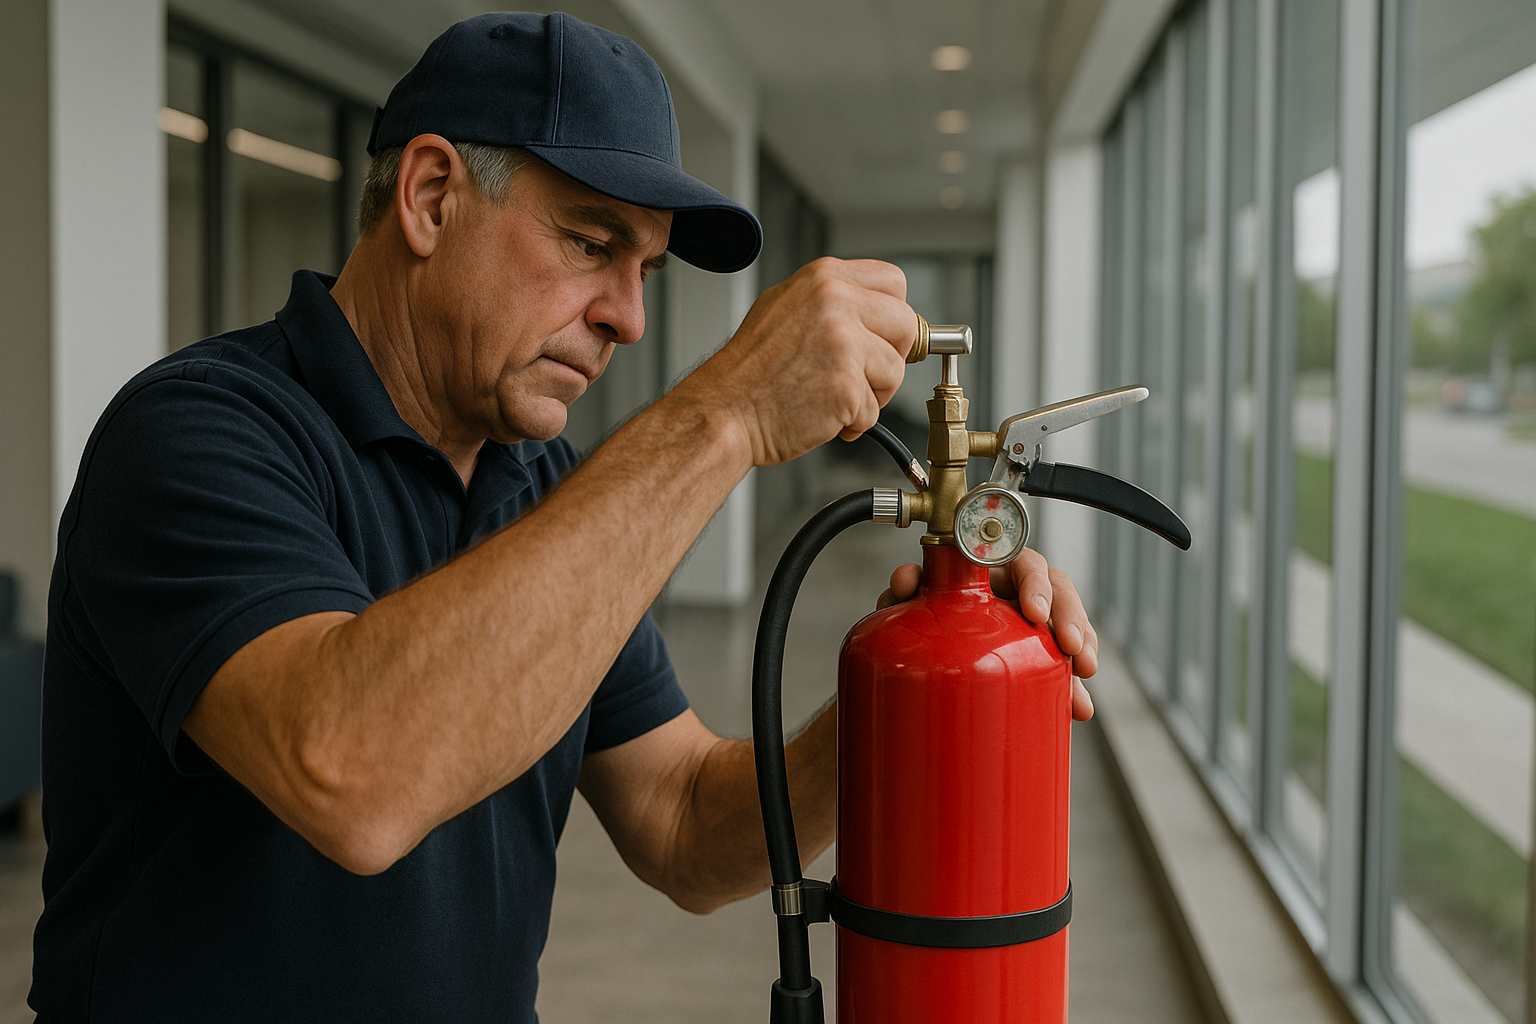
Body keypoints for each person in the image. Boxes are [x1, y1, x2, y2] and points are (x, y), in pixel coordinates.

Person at [31, 11, 1097, 1022]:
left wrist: (917, 688)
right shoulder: (194, 436)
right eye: (593, 243)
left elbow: (682, 820)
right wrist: (723, 413)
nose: (628, 317)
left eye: (644, 269)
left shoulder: (536, 480)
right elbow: (350, 770)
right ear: (433, 196)